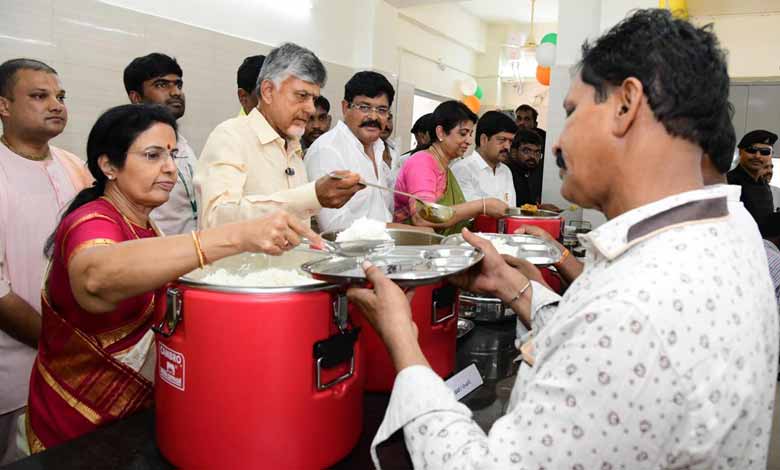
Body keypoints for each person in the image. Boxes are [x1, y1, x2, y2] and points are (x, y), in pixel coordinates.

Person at [348, 9, 777, 469]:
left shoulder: (637, 308)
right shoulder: (731, 225)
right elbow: (593, 350)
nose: (555, 143)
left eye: (571, 112)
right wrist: (516, 289)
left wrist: (403, 342)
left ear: (626, 105)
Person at [24, 104, 321, 453]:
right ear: (108, 166)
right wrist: (237, 236)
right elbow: (95, 277)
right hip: (77, 429)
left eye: (172, 155)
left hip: (132, 421)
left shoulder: (147, 225)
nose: (169, 168)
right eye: (153, 155)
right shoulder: (93, 220)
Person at [0, 58, 92, 465]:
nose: (56, 105)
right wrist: (58, 342)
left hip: (79, 362)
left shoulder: (75, 167)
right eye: (39, 96)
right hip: (16, 372)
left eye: (60, 97)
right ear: (3, 106)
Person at [195, 42, 362, 229]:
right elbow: (216, 218)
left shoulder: (293, 147)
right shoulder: (230, 136)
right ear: (267, 91)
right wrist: (312, 196)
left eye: (313, 98)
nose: (310, 108)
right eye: (301, 95)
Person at [393, 101, 508, 236]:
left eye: (470, 134)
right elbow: (422, 217)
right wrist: (482, 205)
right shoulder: (422, 162)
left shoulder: (444, 165)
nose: (469, 140)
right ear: (441, 132)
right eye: (463, 133)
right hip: (412, 249)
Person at [305, 71, 395, 232]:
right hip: (347, 255)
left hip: (384, 252)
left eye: (381, 110)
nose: (373, 117)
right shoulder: (327, 150)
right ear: (345, 107)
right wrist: (397, 229)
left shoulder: (379, 148)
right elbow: (334, 226)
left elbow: (384, 211)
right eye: (364, 107)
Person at [124, 53, 198, 236]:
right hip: (155, 256)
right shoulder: (127, 150)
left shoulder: (183, 145)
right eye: (162, 85)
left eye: (178, 84)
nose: (176, 92)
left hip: (193, 255)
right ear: (136, 97)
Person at [451, 110, 517, 204]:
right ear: (484, 140)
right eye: (502, 140)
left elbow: (511, 209)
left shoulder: (506, 171)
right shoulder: (463, 169)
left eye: (510, 141)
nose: (507, 146)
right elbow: (463, 213)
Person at [727, 129, 776, 223]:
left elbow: (764, 221)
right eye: (751, 150)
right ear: (740, 152)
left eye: (765, 152)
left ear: (771, 155)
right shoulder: (730, 182)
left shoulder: (763, 183)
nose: (757, 156)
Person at [507, 129, 545, 206]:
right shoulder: (506, 173)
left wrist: (540, 208)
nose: (532, 156)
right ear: (513, 152)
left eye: (537, 152)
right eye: (526, 151)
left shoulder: (534, 173)